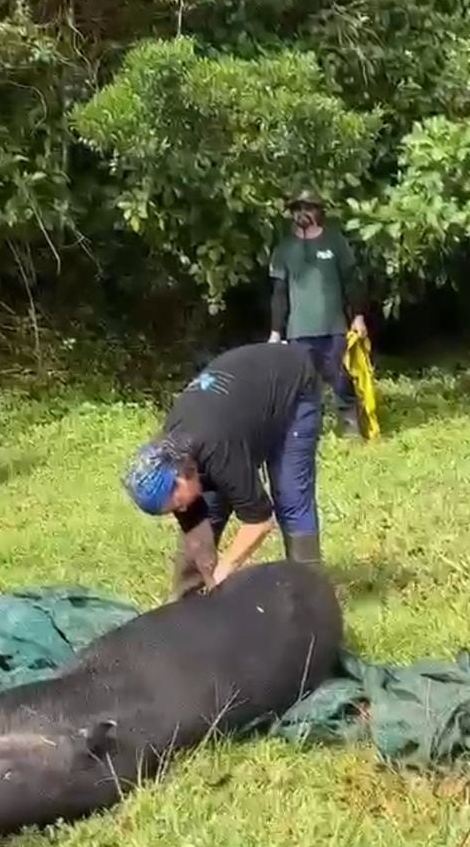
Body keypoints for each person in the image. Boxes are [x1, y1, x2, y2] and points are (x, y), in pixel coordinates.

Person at [123, 341, 322, 598]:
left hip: (292, 380)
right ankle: (186, 603)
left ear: (180, 477)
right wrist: (195, 585)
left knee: (290, 495)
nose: (180, 511)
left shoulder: (217, 449)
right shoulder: (172, 450)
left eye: (177, 504)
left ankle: (310, 595)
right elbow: (195, 520)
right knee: (207, 504)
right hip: (238, 404)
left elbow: (259, 521)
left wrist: (222, 572)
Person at [268, 189, 368, 436]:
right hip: (298, 331)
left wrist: (357, 316)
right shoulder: (284, 248)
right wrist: (275, 332)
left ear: (319, 212)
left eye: (309, 208)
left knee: (342, 378)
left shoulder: (335, 242)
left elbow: (351, 282)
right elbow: (279, 293)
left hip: (333, 326)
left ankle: (350, 425)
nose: (303, 214)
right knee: (302, 385)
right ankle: (307, 430)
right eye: (298, 209)